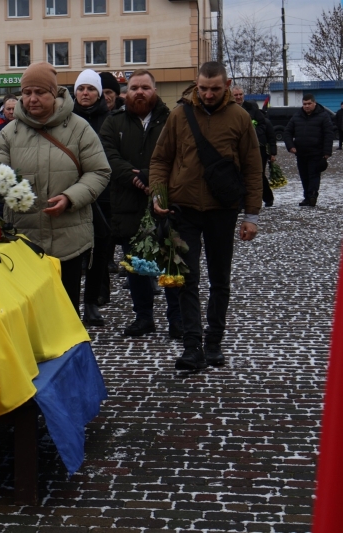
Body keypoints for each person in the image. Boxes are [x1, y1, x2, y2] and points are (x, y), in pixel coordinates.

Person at [149, 61, 262, 371]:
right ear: (196, 85)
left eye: (215, 88)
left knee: (219, 279)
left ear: (226, 86)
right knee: (187, 279)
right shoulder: (179, 115)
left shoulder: (240, 118)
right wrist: (158, 193)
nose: (208, 94)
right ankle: (191, 346)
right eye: (203, 88)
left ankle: (214, 342)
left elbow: (253, 169)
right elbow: (160, 159)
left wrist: (251, 216)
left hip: (222, 212)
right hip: (184, 210)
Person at [0, 62, 110, 313]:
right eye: (27, 92)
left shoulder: (78, 128)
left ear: (54, 93)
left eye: (40, 92)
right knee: (31, 312)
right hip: (24, 239)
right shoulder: (10, 132)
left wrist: (70, 197)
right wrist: (7, 189)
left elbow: (99, 171)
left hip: (68, 237)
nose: (32, 99)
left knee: (65, 311)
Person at [100, 69, 182, 339]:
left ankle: (177, 320)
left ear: (154, 90)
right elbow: (108, 157)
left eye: (145, 87)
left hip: (167, 202)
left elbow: (180, 157)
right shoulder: (114, 123)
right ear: (127, 92)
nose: (139, 92)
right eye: (134, 87)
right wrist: (137, 179)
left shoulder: (172, 121)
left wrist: (155, 182)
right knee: (136, 264)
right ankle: (144, 317)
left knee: (171, 262)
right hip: (127, 203)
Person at [72, 69, 111, 326]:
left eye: (90, 89)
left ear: (99, 93)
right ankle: (71, 303)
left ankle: (92, 302)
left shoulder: (109, 119)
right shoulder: (66, 118)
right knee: (74, 251)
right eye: (81, 89)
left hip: (103, 193)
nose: (85, 93)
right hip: (72, 191)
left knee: (101, 246)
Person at [284, 94, 334, 207]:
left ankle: (312, 196)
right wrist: (290, 146)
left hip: (316, 153)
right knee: (304, 176)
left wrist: (326, 153)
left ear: (314, 103)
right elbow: (287, 132)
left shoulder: (323, 116)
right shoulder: (297, 116)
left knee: (313, 175)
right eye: (304, 104)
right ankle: (307, 197)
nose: (306, 106)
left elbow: (328, 134)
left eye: (309, 104)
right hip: (301, 153)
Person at [231, 87, 277, 207]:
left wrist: (253, 133)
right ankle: (242, 202)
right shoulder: (228, 109)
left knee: (257, 174)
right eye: (235, 95)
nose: (238, 97)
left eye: (240, 94)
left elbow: (263, 125)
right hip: (237, 148)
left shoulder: (252, 108)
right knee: (239, 174)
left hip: (256, 147)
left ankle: (267, 197)